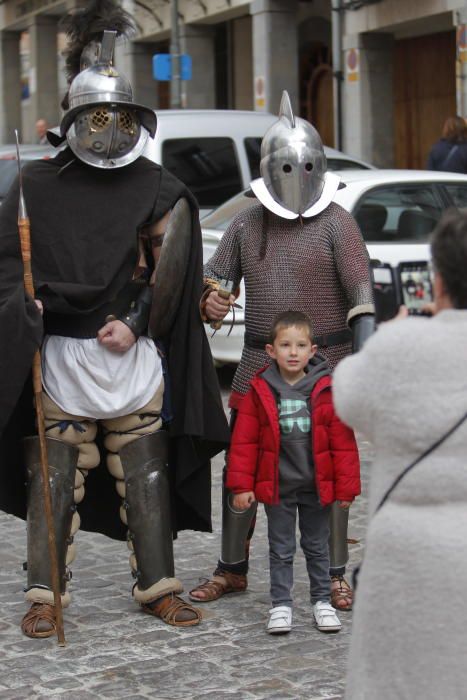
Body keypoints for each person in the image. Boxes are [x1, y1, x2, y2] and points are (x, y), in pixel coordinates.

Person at [0, 0, 229, 639]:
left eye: (117, 118)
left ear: (133, 120)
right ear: (74, 120)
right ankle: (45, 594)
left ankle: (159, 585)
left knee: (147, 467)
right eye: (95, 118)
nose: (107, 130)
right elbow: (1, 271)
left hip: (132, 350)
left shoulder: (160, 190)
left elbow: (172, 271)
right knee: (52, 472)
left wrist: (137, 320)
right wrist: (26, 312)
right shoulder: (32, 190)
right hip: (61, 350)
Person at [189, 91, 375, 611]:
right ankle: (232, 567)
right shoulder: (248, 225)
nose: (298, 173)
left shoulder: (338, 223)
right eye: (288, 165)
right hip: (258, 368)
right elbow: (214, 287)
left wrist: (356, 370)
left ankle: (335, 575)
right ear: (270, 170)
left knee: (332, 469)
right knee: (241, 466)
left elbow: (361, 298)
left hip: (326, 367)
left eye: (306, 164)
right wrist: (213, 299)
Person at [332, 208, 467, 699]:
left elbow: (348, 397)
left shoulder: (402, 345)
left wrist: (391, 336)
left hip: (407, 554)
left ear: (437, 278)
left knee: (400, 681)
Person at [225, 311, 360, 634]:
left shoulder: (327, 389)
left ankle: (321, 602)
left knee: (317, 547)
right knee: (281, 549)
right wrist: (242, 486)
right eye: (285, 345)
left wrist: (346, 489)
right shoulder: (260, 391)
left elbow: (343, 444)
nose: (293, 352)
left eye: (301, 345)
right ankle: (281, 605)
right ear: (271, 350)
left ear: (313, 350)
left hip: (316, 488)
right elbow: (244, 443)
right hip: (278, 489)